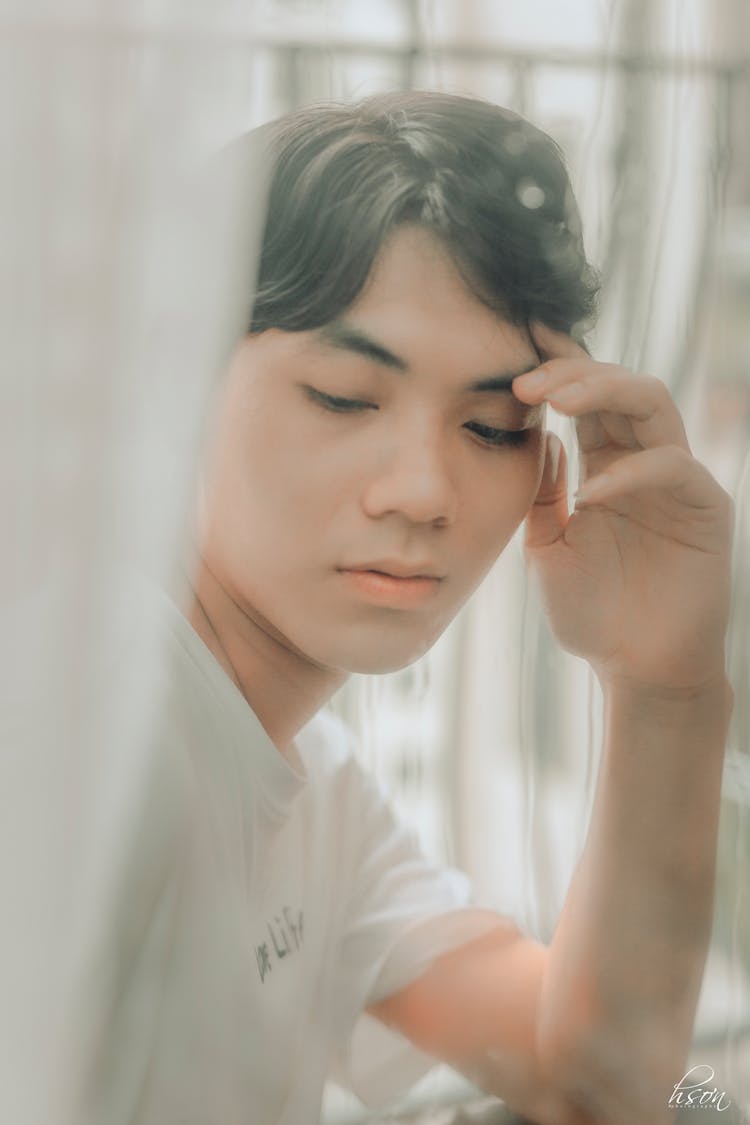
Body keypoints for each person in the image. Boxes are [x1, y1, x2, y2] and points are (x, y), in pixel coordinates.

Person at [99, 91, 735, 1124]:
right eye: (345, 398)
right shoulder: (93, 732)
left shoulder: (314, 784)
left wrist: (668, 684)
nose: (424, 492)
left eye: (490, 426)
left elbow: (600, 1079)